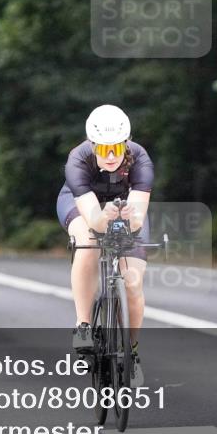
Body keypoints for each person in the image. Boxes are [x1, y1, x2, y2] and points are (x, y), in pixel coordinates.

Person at [57, 104, 153, 387]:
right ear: (92, 145)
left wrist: (125, 218)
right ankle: (83, 326)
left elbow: (137, 220)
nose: (110, 156)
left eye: (116, 148)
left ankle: (131, 351)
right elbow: (94, 221)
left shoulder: (140, 158)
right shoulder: (78, 159)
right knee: (88, 241)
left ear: (127, 143)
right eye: (102, 149)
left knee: (133, 281)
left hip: (125, 208)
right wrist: (103, 218)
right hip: (83, 205)